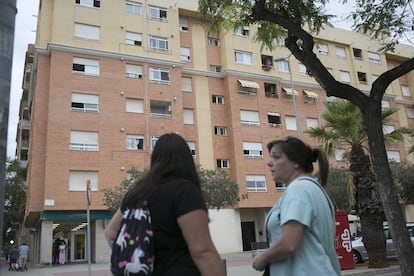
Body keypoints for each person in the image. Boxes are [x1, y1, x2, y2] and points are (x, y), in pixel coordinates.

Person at [105, 133, 225, 276]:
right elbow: (202, 251)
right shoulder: (184, 191)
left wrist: (136, 259)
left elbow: (111, 233)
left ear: (155, 159)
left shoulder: (136, 193)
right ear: (187, 159)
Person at [252, 136, 340, 276]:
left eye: (276, 157)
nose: (269, 163)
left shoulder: (298, 190)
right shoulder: (314, 189)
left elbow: (289, 244)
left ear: (296, 162)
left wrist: (263, 257)